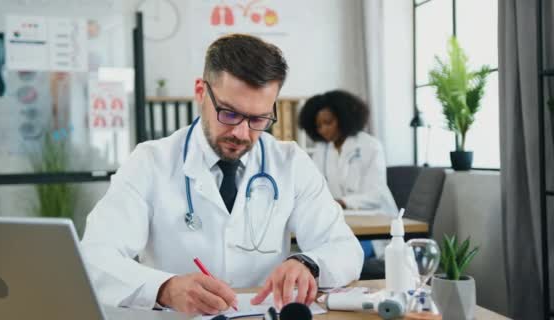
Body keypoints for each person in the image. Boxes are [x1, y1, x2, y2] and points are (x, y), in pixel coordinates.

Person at [81, 34, 364, 316]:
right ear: (201, 92)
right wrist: (165, 288)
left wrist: (308, 264)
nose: (241, 133)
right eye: (229, 114)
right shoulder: (151, 161)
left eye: (258, 119)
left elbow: (345, 249)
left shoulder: (290, 162)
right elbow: (95, 257)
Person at [299, 90, 397, 216]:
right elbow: (314, 185)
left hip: (377, 217)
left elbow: (376, 196)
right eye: (318, 126)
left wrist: (342, 202)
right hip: (343, 216)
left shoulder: (370, 146)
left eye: (328, 123)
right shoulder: (322, 150)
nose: (323, 130)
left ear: (343, 118)